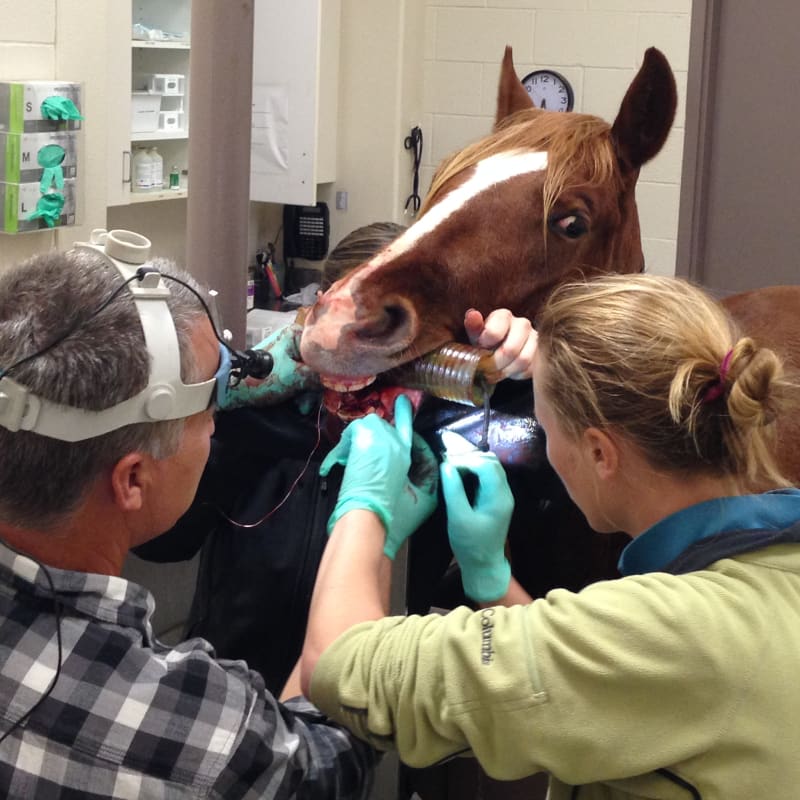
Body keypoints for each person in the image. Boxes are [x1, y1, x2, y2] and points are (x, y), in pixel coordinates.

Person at [300, 273, 800, 799]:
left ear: (601, 452)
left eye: (546, 427)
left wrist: (365, 504)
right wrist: (493, 577)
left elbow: (338, 667)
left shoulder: (670, 631)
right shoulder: (764, 573)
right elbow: (589, 687)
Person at [0, 237, 379, 798]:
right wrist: (366, 515)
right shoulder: (205, 741)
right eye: (212, 403)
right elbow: (325, 763)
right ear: (132, 479)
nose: (218, 422)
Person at [138, 221, 538, 695]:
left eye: (387, 338)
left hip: (369, 701)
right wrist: (220, 420)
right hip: (225, 686)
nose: (362, 359)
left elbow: (520, 640)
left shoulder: (444, 439)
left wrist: (516, 366)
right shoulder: (262, 418)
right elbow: (161, 543)